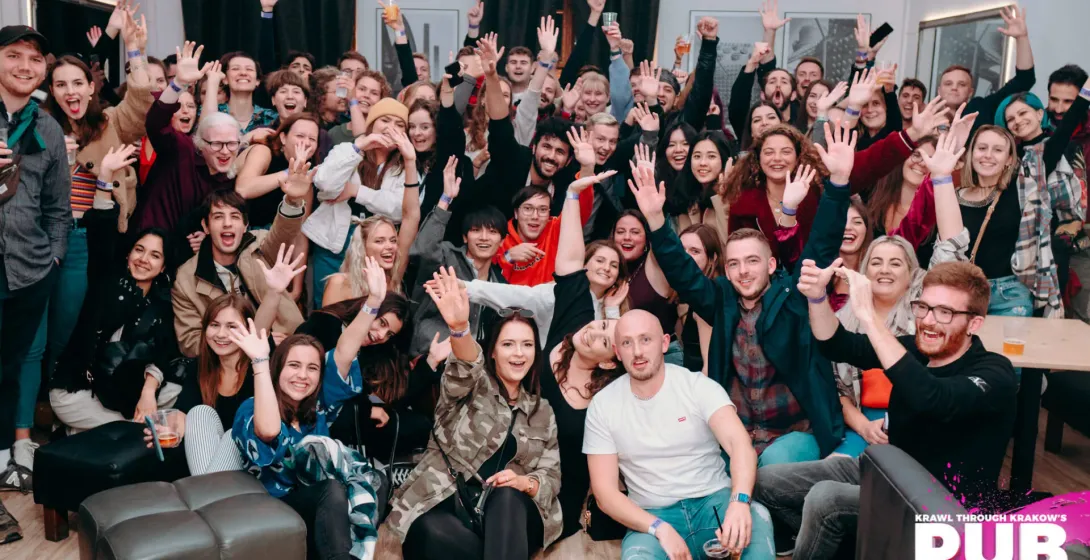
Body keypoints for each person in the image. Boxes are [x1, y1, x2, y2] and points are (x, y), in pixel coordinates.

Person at [631, 122, 861, 467]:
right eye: (734, 263)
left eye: (752, 261)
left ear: (771, 265)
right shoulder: (721, 301)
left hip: (794, 433)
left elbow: (822, 244)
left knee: (766, 473)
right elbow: (682, 270)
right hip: (738, 434)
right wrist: (655, 219)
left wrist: (839, 184)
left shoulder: (793, 296)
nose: (743, 271)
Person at [760, 261, 1017, 559]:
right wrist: (818, 298)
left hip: (940, 508)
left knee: (825, 499)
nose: (929, 321)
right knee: (765, 481)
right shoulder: (918, 350)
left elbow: (934, 397)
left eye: (945, 312)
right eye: (924, 307)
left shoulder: (996, 373)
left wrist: (869, 316)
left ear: (974, 324)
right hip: (886, 475)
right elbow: (838, 345)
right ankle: (843, 540)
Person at [26, 11, 153, 445]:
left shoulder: (112, 121)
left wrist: (134, 48)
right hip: (44, 242)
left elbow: (141, 97)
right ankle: (42, 406)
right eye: (60, 84)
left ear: (91, 84)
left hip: (98, 241)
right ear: (51, 89)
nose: (70, 91)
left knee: (76, 324)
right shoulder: (39, 128)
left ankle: (60, 403)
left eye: (77, 82)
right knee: (39, 330)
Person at [388, 266, 563, 560]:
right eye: (508, 344)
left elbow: (551, 476)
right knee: (430, 533)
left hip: (510, 515)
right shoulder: (472, 385)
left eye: (527, 345)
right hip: (448, 503)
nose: (518, 354)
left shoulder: (542, 410)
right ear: (492, 350)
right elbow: (465, 364)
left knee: (507, 497)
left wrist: (524, 482)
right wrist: (460, 328)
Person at [230, 258, 391, 560]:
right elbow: (267, 431)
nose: (302, 375)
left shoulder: (318, 406)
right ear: (277, 370)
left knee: (375, 480)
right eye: (293, 365)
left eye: (312, 368)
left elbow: (344, 350)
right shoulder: (253, 406)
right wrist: (260, 362)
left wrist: (374, 302)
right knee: (331, 489)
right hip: (272, 502)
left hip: (322, 501)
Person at [584, 309, 776, 560]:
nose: (637, 351)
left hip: (713, 503)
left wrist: (739, 502)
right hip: (651, 516)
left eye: (645, 339)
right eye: (627, 343)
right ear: (618, 353)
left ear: (664, 343)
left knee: (756, 521)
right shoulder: (603, 405)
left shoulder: (696, 386)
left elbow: (740, 445)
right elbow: (605, 494)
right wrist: (658, 528)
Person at [47, 146, 179, 436]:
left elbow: (163, 353)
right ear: (129, 254)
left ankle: (94, 432)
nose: (144, 259)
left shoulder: (161, 304)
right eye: (139, 250)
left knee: (174, 392)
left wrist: (148, 391)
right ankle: (120, 428)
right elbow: (101, 231)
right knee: (133, 430)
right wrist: (104, 177)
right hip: (79, 392)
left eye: (154, 256)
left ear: (163, 266)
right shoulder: (107, 279)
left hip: (125, 394)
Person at [0, 25, 70, 502]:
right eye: (13, 55)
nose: (24, 66)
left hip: (28, 271)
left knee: (9, 370)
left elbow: (58, 209)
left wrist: (53, 261)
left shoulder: (47, 128)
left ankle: (5, 457)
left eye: (34, 59)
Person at [172, 177, 308, 357]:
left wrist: (292, 201)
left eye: (235, 216)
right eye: (218, 216)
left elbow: (282, 233)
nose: (227, 223)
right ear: (205, 226)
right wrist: (251, 343)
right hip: (228, 367)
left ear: (245, 225)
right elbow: (190, 343)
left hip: (285, 351)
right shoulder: (185, 279)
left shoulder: (260, 244)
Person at [130, 42, 241, 235]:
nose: (225, 150)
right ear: (201, 143)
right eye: (216, 144)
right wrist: (178, 84)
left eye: (231, 144)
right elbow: (155, 123)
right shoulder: (181, 149)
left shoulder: (229, 180)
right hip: (149, 250)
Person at [936, 5, 1035, 141]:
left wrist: (1022, 38)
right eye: (948, 83)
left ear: (970, 92)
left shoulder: (982, 108)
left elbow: (1025, 80)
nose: (954, 88)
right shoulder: (926, 118)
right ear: (939, 91)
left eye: (962, 84)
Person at [206, 51, 277, 135]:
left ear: (257, 81)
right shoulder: (214, 112)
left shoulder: (271, 117)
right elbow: (205, 132)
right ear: (225, 79)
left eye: (249, 69)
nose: (243, 73)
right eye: (235, 69)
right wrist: (212, 82)